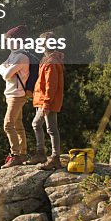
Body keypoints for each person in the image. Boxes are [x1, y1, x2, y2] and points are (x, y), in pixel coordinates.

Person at [28, 30, 64, 170]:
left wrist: (47, 103)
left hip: (47, 101)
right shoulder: (46, 60)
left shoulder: (51, 62)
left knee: (48, 128)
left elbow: (51, 85)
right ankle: (42, 153)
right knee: (43, 126)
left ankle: (53, 157)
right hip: (42, 100)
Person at [0, 25, 31, 168]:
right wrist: (4, 68)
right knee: (17, 124)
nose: (7, 42)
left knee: (8, 124)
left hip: (17, 95)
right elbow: (1, 67)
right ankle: (22, 154)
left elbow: (5, 73)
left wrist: (4, 68)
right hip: (11, 94)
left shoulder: (22, 57)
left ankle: (15, 155)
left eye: (9, 39)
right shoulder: (13, 55)